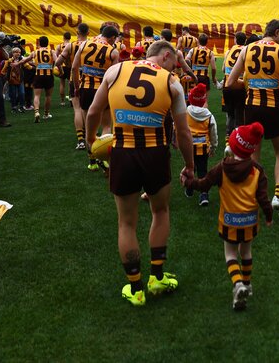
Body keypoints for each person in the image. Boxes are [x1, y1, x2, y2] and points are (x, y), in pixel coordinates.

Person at [85, 39, 195, 307]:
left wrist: (91, 143)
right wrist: (190, 166)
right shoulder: (172, 81)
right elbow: (183, 132)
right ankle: (157, 276)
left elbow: (93, 112)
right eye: (175, 60)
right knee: (160, 212)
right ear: (166, 56)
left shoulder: (115, 71)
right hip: (156, 153)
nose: (176, 65)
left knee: (126, 223)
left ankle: (135, 288)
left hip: (122, 152)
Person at [182, 122, 273, 311]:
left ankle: (238, 283)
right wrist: (269, 215)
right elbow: (263, 198)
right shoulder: (258, 170)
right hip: (250, 221)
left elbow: (203, 184)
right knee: (246, 252)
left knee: (230, 254)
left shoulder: (221, 168)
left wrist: (188, 183)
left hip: (229, 221)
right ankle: (247, 284)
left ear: (232, 145)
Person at [225, 19, 279, 219]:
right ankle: (277, 196)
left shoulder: (246, 49)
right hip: (274, 107)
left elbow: (230, 82)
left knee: (252, 153)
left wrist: (250, 84)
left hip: (252, 108)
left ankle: (251, 197)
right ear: (276, 32)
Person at [74, 25, 120, 171]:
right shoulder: (113, 51)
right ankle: (104, 158)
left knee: (90, 128)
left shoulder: (84, 44)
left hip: (86, 88)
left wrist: (76, 86)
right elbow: (114, 75)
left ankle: (92, 161)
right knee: (106, 126)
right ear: (112, 38)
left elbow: (75, 67)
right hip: (103, 91)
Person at [55, 23, 89, 150]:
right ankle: (90, 135)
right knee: (89, 108)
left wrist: (62, 71)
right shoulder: (92, 44)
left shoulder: (71, 45)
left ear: (77, 32)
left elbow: (58, 62)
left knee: (77, 109)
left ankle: (81, 139)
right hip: (90, 79)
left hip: (73, 78)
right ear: (88, 32)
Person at [184, 83, 218, 206]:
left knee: (190, 167)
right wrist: (213, 147)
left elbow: (179, 127)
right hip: (203, 148)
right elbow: (213, 133)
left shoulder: (186, 112)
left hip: (189, 147)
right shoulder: (209, 115)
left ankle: (189, 188)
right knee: (203, 170)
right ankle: (204, 195)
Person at [16, 36, 55, 123]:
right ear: (47, 43)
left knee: (37, 96)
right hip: (49, 75)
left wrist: (17, 64)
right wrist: (60, 69)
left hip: (38, 75)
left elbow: (25, 60)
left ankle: (36, 112)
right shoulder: (51, 51)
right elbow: (57, 61)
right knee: (48, 96)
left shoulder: (35, 52)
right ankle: (46, 114)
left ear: (39, 43)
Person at [221, 31, 247, 136]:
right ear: (245, 41)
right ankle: (238, 138)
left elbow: (223, 69)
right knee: (239, 113)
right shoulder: (246, 50)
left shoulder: (228, 51)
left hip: (227, 86)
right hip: (239, 85)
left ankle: (228, 137)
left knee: (230, 114)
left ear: (235, 39)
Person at [2, 47, 25, 113]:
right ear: (12, 53)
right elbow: (3, 70)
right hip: (11, 80)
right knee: (13, 94)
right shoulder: (9, 61)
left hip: (20, 80)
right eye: (16, 52)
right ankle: (14, 107)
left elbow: (28, 66)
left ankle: (21, 106)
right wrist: (2, 76)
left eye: (19, 52)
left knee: (22, 93)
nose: (18, 54)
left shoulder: (22, 60)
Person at [58, 31, 72, 106]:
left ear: (63, 37)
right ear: (70, 38)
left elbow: (56, 57)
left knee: (62, 83)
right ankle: (70, 97)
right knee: (70, 83)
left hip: (62, 66)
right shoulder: (71, 45)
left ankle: (62, 101)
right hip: (70, 66)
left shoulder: (59, 46)